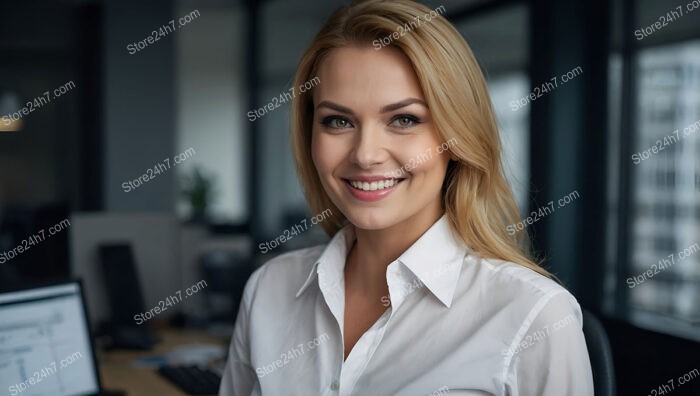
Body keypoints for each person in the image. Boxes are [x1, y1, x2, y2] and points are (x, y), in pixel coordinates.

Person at [219, 0, 594, 394]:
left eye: (404, 120)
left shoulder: (534, 316)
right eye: (338, 121)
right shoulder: (269, 288)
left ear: (456, 137)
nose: (365, 154)